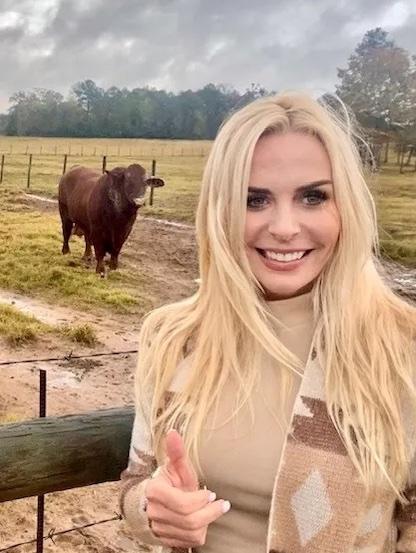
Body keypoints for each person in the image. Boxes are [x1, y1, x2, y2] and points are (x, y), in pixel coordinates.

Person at [119, 92, 416, 553]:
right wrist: (151, 511)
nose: (283, 226)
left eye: (313, 197)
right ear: (220, 210)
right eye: (254, 200)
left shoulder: (401, 347)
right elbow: (138, 482)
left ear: (347, 208)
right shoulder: (172, 336)